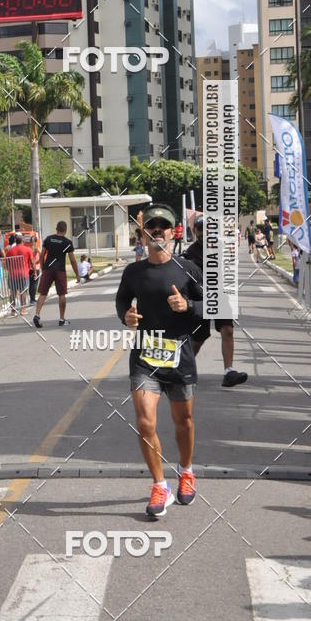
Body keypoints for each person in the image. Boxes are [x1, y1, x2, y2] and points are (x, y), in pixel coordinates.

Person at [116, 203, 204, 519]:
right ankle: (159, 485)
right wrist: (125, 317)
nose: (157, 231)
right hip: (145, 358)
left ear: (172, 232)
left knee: (185, 422)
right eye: (151, 226)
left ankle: (186, 470)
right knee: (144, 421)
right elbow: (122, 300)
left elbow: (210, 305)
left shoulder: (187, 269)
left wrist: (187, 306)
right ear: (143, 234)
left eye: (163, 226)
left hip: (180, 357)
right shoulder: (134, 272)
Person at [182, 215, 248, 388]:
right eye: (201, 229)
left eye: (208, 229)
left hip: (220, 296)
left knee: (228, 330)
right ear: (195, 231)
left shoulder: (220, 247)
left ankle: (229, 372)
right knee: (199, 337)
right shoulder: (190, 253)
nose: (205, 232)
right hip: (200, 299)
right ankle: (183, 369)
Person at [33, 221, 80, 328]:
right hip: (60, 271)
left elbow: (42, 255)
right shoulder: (67, 242)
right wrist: (77, 275)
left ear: (56, 228)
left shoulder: (48, 239)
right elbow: (72, 260)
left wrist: (43, 268)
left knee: (43, 293)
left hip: (48, 270)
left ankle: (37, 315)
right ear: (65, 230)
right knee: (62, 294)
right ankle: (62, 319)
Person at [5, 234, 33, 315]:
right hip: (23, 274)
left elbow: (7, 263)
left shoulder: (10, 250)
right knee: (23, 292)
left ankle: (13, 310)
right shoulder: (27, 249)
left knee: (13, 293)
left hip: (12, 275)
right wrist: (34, 272)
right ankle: (22, 310)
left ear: (15, 241)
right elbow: (32, 262)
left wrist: (10, 270)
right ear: (23, 241)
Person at [29, 236, 41, 304]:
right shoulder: (36, 248)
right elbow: (42, 254)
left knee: (31, 284)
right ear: (36, 241)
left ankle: (31, 298)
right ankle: (32, 299)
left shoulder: (29, 248)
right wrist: (38, 261)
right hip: (36, 267)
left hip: (30, 268)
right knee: (34, 284)